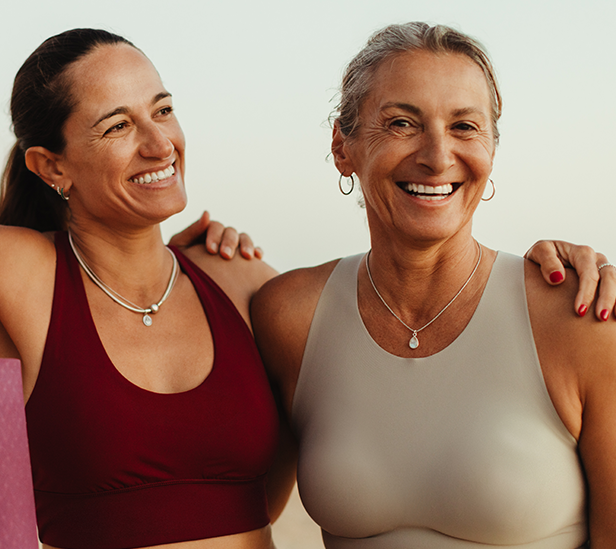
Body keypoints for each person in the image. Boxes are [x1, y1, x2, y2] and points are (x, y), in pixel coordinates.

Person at [0, 22, 610, 549]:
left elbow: (361, 413)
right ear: (49, 167)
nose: (157, 143)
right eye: (114, 127)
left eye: (162, 110)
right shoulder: (15, 272)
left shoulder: (244, 287)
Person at [253, 22, 616, 547]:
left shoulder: (579, 319)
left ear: (492, 151)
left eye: (465, 127)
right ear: (342, 146)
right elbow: (231, 515)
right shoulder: (288, 316)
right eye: (402, 123)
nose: (438, 155)